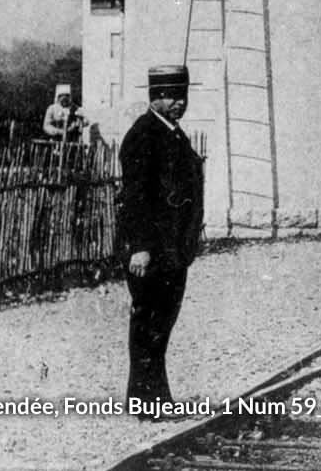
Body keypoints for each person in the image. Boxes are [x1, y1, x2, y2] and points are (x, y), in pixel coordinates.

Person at [116, 65, 204, 418]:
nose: (177, 103)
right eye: (169, 96)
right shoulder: (143, 135)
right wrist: (140, 246)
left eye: (181, 96)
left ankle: (156, 398)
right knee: (148, 324)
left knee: (160, 326)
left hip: (172, 250)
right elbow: (135, 196)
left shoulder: (173, 134)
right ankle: (144, 402)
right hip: (150, 251)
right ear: (154, 97)